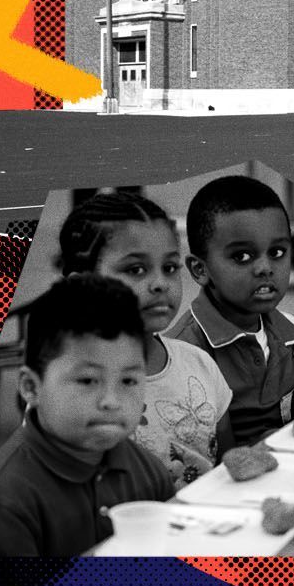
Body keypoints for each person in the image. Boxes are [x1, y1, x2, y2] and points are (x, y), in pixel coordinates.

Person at [0, 275, 174, 557]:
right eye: (87, 381)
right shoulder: (3, 503)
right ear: (31, 387)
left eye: (128, 381)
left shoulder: (149, 473)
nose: (111, 402)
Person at [55, 191, 231, 488]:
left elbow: (227, 467)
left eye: (170, 267)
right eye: (136, 269)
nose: (160, 284)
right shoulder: (64, 390)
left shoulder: (199, 364)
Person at [164, 175, 294, 446]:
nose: (265, 268)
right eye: (242, 257)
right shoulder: (185, 353)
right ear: (200, 270)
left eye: (278, 252)